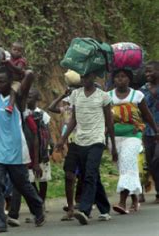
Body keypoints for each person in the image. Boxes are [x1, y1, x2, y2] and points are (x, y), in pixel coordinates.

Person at [0, 66, 45, 233]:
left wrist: (10, 67)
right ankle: (0, 222)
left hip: (15, 150)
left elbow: (30, 74)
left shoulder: (18, 98)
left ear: (11, 83)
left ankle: (38, 208)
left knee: (22, 183)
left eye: (2, 81)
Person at [56, 72, 117, 225]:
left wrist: (113, 146)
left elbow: (109, 122)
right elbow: (74, 119)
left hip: (97, 140)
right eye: (82, 78)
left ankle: (84, 210)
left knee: (89, 174)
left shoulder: (103, 96)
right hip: (80, 141)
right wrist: (62, 139)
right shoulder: (76, 94)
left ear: (94, 78)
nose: (84, 80)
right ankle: (104, 209)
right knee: (90, 174)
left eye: (87, 77)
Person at [110, 69, 159, 213]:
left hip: (134, 135)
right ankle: (135, 198)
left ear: (129, 79)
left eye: (124, 76)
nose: (120, 79)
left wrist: (156, 130)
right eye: (117, 77)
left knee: (127, 162)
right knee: (125, 168)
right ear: (113, 80)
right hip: (115, 137)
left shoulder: (137, 95)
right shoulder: (108, 96)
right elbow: (105, 118)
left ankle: (122, 202)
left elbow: (147, 114)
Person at [48, 88, 83, 220]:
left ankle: (84, 203)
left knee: (85, 175)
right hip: (71, 144)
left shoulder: (85, 106)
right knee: (69, 174)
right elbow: (51, 107)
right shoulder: (66, 109)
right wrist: (62, 95)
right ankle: (71, 207)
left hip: (86, 142)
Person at [0, 42, 27, 115]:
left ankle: (10, 106)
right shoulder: (8, 58)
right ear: (10, 50)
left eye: (19, 51)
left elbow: (19, 69)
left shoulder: (21, 60)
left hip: (15, 81)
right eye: (14, 49)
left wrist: (9, 63)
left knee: (13, 90)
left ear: (22, 52)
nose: (16, 52)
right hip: (6, 80)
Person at [140, 60, 159, 204]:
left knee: (157, 159)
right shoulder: (143, 89)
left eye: (150, 71)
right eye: (146, 71)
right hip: (148, 130)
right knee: (151, 162)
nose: (148, 74)